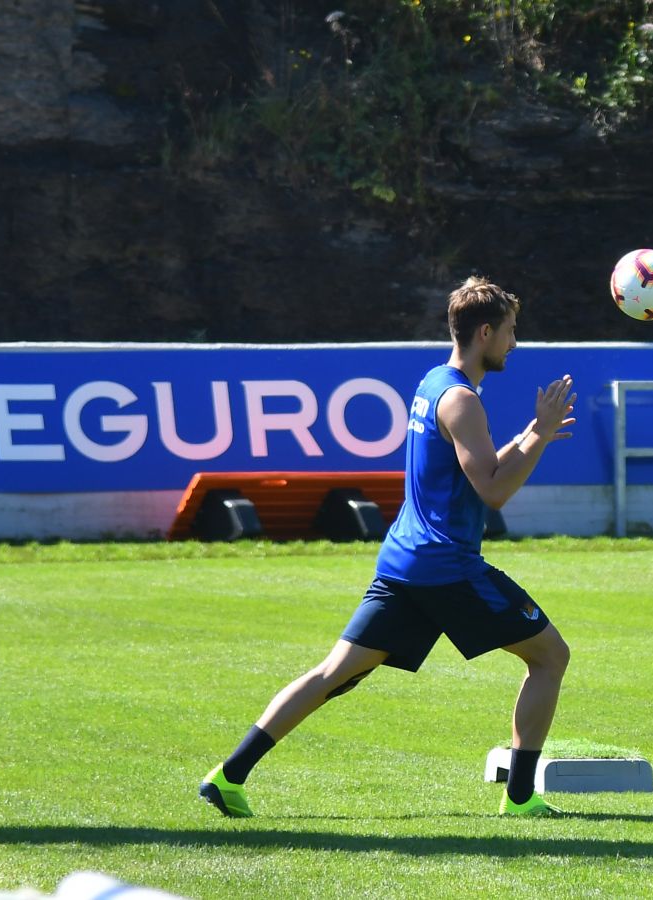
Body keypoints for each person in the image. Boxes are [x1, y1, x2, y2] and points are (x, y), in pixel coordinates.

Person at [199, 275, 578, 818]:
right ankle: (520, 799)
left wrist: (529, 432)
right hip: (447, 567)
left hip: (406, 562)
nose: (514, 343)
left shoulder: (435, 383)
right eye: (511, 331)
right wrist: (539, 435)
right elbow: (493, 491)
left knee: (333, 674)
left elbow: (478, 465)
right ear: (485, 332)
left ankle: (228, 775)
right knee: (550, 656)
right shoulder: (462, 401)